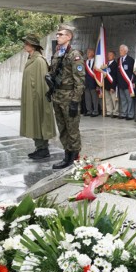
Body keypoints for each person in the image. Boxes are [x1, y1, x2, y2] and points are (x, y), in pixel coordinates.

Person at [49, 24, 85, 169]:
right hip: (58, 96)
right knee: (62, 127)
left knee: (72, 129)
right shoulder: (58, 53)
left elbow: (80, 80)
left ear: (69, 37)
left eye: (61, 34)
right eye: (57, 35)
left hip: (69, 96)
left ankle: (74, 157)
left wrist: (75, 101)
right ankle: (66, 155)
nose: (58, 37)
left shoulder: (74, 55)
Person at [20, 34, 56, 160]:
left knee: (39, 121)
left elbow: (43, 83)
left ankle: (43, 149)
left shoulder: (39, 60)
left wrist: (40, 100)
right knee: (34, 122)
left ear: (33, 46)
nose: (25, 45)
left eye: (27, 43)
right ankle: (39, 147)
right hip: (31, 97)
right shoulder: (31, 59)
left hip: (38, 98)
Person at [116, 44, 135, 120]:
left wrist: (132, 82)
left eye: (121, 50)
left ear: (125, 51)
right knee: (123, 100)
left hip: (128, 84)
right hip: (120, 84)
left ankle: (130, 115)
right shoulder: (118, 60)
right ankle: (124, 113)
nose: (120, 51)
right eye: (120, 50)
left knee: (129, 100)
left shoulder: (130, 60)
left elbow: (133, 72)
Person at [82, 48, 99, 117]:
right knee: (87, 98)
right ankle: (89, 110)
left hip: (94, 83)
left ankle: (95, 111)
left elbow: (98, 74)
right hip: (86, 83)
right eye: (87, 51)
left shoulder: (96, 62)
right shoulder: (84, 62)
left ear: (93, 53)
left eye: (90, 52)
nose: (88, 52)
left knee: (94, 98)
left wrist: (98, 84)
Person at [103, 50, 119, 117]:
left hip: (112, 84)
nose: (109, 56)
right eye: (108, 55)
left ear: (114, 56)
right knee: (108, 99)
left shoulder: (115, 64)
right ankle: (109, 112)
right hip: (106, 84)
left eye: (110, 55)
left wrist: (113, 86)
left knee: (114, 99)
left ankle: (116, 112)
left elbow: (115, 76)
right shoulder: (106, 64)